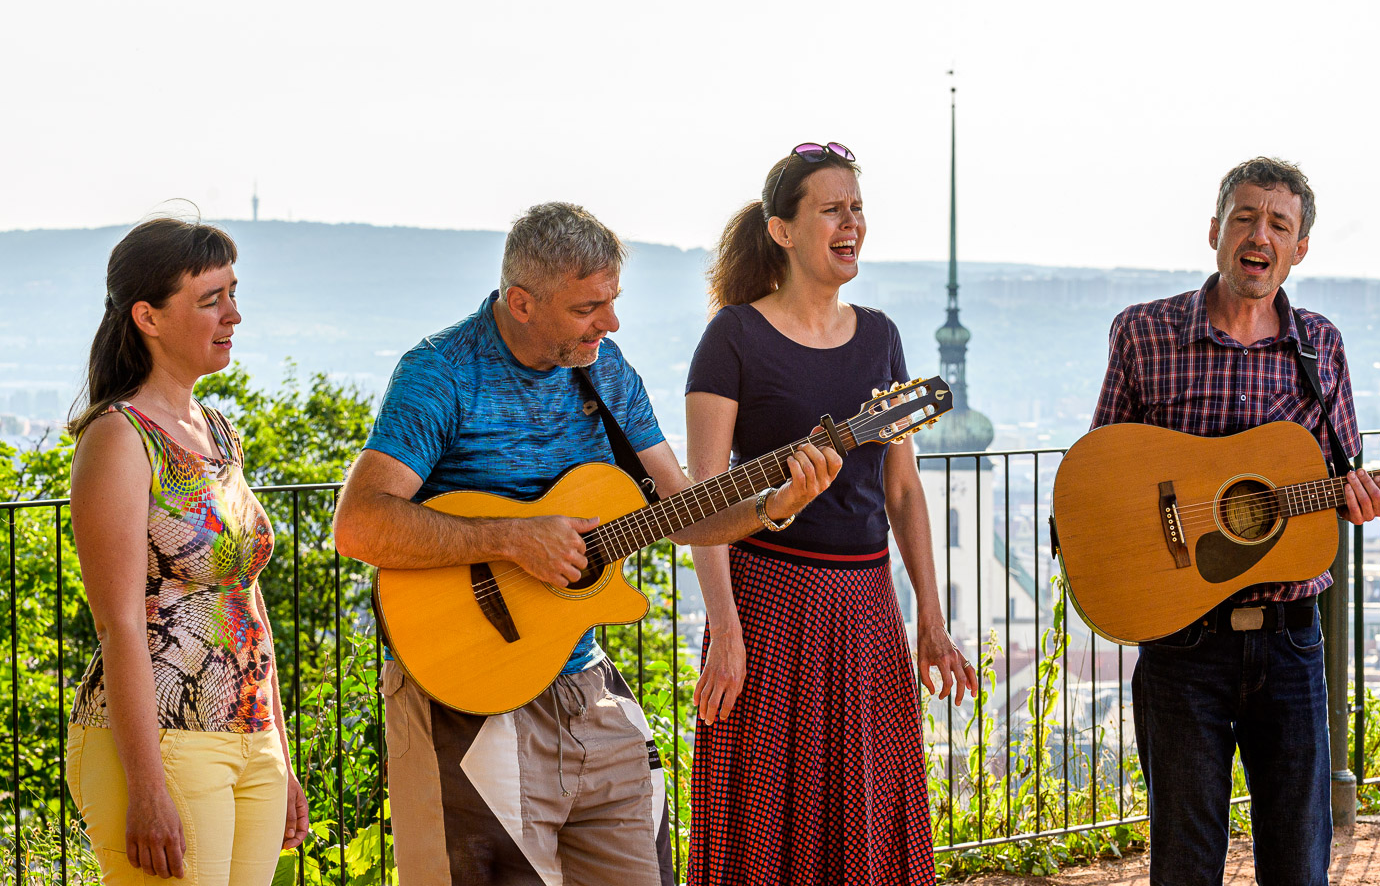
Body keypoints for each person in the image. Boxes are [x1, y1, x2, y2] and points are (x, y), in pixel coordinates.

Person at [330, 201, 840, 886]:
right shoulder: (440, 372)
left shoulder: (606, 370)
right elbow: (360, 522)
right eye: (586, 308)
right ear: (521, 302)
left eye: (612, 301)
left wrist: (771, 506)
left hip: (583, 682)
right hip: (466, 692)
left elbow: (680, 509)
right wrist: (513, 538)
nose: (610, 322)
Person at [1091, 157, 1380, 885]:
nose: (1259, 235)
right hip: (1180, 645)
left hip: (1291, 643)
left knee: (1298, 864)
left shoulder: (1319, 346)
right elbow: (1099, 482)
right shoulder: (1144, 334)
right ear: (1214, 231)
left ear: (1298, 250)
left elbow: (1334, 473)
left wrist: (1358, 498)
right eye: (1244, 217)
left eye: (1278, 224)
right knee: (1185, 865)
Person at [683, 142, 979, 886]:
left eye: (857, 209)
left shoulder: (879, 337)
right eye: (831, 210)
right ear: (782, 230)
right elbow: (703, 500)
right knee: (763, 819)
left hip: (865, 605)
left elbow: (903, 493)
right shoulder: (732, 338)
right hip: (765, 604)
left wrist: (930, 623)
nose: (850, 224)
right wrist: (724, 630)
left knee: (867, 815)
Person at [65, 218, 309, 884]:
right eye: (211, 299)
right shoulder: (120, 438)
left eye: (232, 293)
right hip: (164, 740)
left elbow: (242, 597)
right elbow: (119, 623)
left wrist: (278, 755)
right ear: (149, 316)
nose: (234, 314)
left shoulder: (215, 429)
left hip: (246, 734)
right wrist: (145, 787)